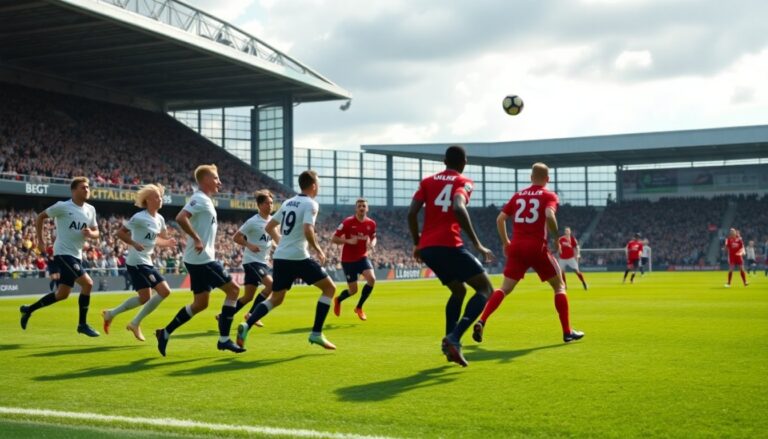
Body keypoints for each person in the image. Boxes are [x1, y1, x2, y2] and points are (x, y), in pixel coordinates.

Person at [472, 163, 583, 346]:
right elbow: (549, 215)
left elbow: (500, 219)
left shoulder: (518, 195)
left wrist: (506, 242)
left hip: (517, 247)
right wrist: (556, 239)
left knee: (504, 288)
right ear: (547, 179)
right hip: (537, 248)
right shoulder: (549, 195)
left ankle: (482, 320)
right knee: (559, 287)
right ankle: (567, 332)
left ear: (531, 178)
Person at [407, 145, 494, 367]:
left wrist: (417, 243)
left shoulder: (427, 182)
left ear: (444, 161)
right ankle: (454, 337)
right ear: (464, 163)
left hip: (428, 248)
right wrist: (477, 244)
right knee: (486, 289)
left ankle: (450, 345)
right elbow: (458, 207)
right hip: (449, 244)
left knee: (459, 290)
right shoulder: (464, 182)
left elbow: (411, 213)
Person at [236, 170, 337, 350]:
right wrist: (318, 249)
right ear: (314, 186)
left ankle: (247, 324)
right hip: (298, 256)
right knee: (330, 288)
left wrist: (281, 242)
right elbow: (308, 229)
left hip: (281, 257)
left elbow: (269, 226)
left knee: (276, 298)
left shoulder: (288, 202)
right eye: (319, 184)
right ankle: (316, 333)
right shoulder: (311, 204)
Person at [155, 164, 244, 356]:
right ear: (205, 180)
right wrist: (196, 238)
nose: (219, 182)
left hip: (198, 258)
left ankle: (165, 332)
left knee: (201, 304)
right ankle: (224, 340)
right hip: (202, 259)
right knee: (234, 290)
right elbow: (181, 217)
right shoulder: (199, 198)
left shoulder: (206, 200)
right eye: (216, 178)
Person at [20, 177, 100, 337]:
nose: (87, 190)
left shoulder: (90, 209)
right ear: (73, 190)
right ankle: (82, 324)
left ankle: (29, 310)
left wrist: (91, 234)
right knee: (88, 284)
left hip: (77, 255)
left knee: (62, 294)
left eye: (88, 187)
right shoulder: (62, 206)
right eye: (83, 187)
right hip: (63, 253)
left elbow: (97, 232)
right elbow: (40, 217)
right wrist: (41, 241)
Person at [102, 184, 177, 341]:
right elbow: (120, 233)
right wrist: (134, 243)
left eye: (160, 196)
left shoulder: (160, 219)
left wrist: (167, 243)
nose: (160, 199)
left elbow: (156, 240)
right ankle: (135, 323)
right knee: (165, 291)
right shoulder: (139, 217)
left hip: (145, 260)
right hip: (137, 261)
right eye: (156, 196)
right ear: (147, 200)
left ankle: (110, 314)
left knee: (144, 298)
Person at [226, 190, 276, 327]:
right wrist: (249, 245)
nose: (270, 205)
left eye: (271, 203)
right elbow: (236, 237)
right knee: (271, 285)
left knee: (248, 297)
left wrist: (277, 247)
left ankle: (224, 315)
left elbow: (271, 240)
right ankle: (252, 314)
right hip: (252, 261)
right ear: (259, 205)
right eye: (267, 203)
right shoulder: (253, 221)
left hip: (263, 262)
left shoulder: (273, 221)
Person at [332, 198, 377, 321]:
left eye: (364, 206)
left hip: (362, 257)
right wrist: (348, 241)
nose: (362, 208)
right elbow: (334, 238)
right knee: (353, 291)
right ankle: (338, 299)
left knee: (372, 279)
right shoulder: (347, 222)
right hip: (348, 260)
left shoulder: (371, 223)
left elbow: (374, 237)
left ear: (367, 209)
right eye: (359, 206)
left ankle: (359, 307)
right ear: (356, 209)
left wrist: (372, 243)